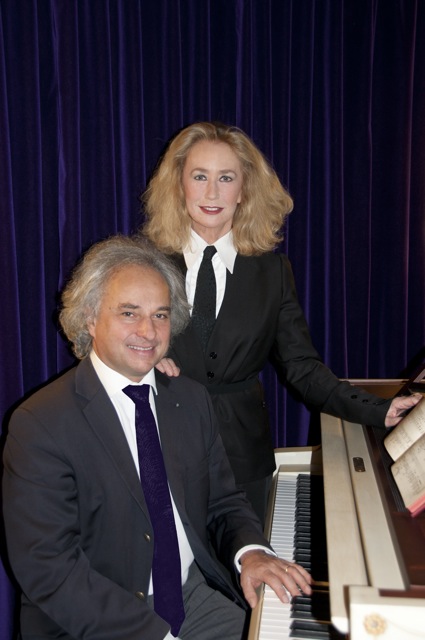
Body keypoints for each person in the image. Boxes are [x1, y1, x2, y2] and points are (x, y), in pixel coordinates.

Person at [2, 235, 312, 640]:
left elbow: (223, 501)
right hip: (96, 620)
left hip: (191, 598)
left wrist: (251, 551)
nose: (148, 331)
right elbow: (50, 570)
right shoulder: (41, 423)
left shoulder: (190, 399)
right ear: (90, 319)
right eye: (129, 313)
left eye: (160, 315)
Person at [141, 121, 421, 524]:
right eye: (199, 176)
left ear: (244, 190)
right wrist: (143, 359)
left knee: (245, 563)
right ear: (178, 185)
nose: (212, 192)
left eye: (226, 178)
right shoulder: (144, 263)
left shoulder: (273, 273)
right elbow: (103, 343)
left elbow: (302, 368)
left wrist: (380, 409)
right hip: (159, 449)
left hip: (243, 464)